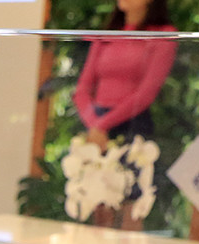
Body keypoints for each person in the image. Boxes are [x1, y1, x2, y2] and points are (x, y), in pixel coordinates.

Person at [73, 0, 176, 151]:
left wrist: (101, 125)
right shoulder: (108, 34)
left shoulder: (162, 35)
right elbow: (82, 88)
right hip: (95, 125)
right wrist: (93, 124)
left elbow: (146, 94)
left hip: (132, 125)